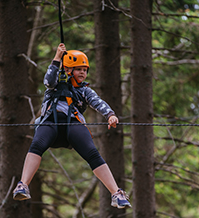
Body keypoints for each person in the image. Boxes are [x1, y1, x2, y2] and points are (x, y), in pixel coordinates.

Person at [13, 43, 131, 209]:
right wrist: (56, 59)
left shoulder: (84, 90)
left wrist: (110, 114)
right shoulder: (55, 84)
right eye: (78, 69)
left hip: (73, 124)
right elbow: (48, 80)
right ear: (68, 70)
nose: (83, 72)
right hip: (50, 122)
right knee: (37, 145)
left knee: (92, 153)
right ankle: (23, 185)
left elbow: (97, 102)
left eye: (85, 70)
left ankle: (116, 193)